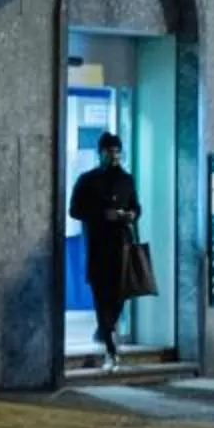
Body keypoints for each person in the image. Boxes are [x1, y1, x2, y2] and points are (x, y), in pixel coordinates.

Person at [68, 130, 141, 368]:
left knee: (120, 295)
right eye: (110, 151)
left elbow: (136, 207)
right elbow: (74, 210)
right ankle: (111, 348)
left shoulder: (127, 180)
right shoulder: (87, 180)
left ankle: (104, 329)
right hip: (99, 247)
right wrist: (102, 215)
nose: (114, 156)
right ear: (100, 153)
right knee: (101, 295)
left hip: (123, 246)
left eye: (118, 152)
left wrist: (131, 215)